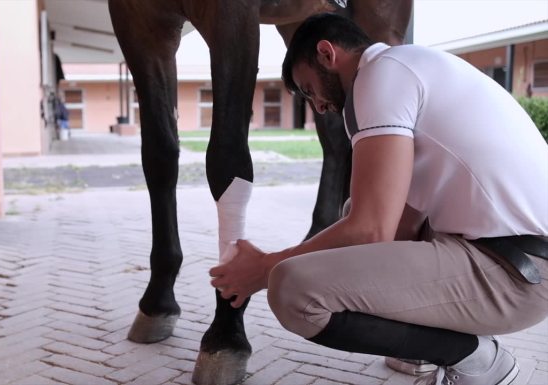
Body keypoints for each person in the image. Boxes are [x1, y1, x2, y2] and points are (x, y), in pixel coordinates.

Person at [209, 13, 548, 385]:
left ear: (326, 54)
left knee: (293, 287)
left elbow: (371, 231)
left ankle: (477, 359)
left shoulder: (377, 77)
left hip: (519, 274)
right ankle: (421, 350)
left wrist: (265, 267)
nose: (318, 106)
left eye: (309, 90)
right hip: (516, 259)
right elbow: (395, 225)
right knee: (354, 213)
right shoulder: (409, 65)